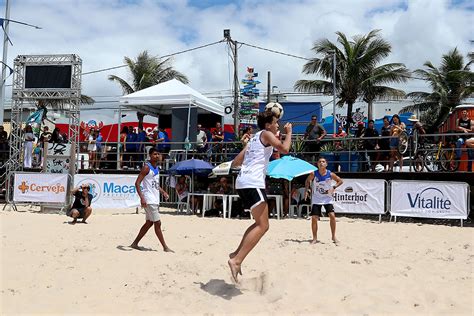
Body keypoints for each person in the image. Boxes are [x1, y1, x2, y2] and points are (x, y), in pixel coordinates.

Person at [228, 111, 292, 282]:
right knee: (264, 226)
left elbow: (236, 163)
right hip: (253, 182)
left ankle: (236, 254)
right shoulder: (266, 134)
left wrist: (250, 150)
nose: (277, 125)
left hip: (243, 182)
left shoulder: (255, 138)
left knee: (259, 224)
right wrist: (289, 133)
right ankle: (236, 260)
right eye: (275, 122)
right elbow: (285, 149)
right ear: (268, 125)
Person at [130, 147, 173, 252]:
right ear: (150, 155)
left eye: (158, 154)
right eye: (154, 154)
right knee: (157, 223)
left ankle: (135, 243)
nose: (157, 156)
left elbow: (155, 185)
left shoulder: (156, 168)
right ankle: (165, 247)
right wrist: (142, 198)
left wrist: (163, 192)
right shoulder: (146, 167)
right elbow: (137, 183)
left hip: (154, 198)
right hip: (149, 199)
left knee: (149, 223)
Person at [304, 157, 343, 245]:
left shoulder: (330, 174)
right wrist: (307, 190)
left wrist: (333, 187)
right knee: (314, 218)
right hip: (317, 198)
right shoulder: (313, 173)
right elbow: (307, 181)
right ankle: (314, 238)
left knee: (332, 216)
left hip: (327, 198)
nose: (321, 163)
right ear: (317, 164)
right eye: (320, 162)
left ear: (326, 164)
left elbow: (340, 181)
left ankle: (333, 236)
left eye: (323, 162)